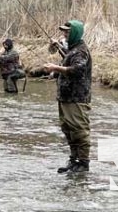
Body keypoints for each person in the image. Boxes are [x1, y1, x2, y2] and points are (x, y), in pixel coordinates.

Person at [43, 20, 92, 174]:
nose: (64, 34)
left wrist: (56, 68)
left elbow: (77, 70)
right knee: (68, 129)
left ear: (75, 33)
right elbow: (66, 55)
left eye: (67, 32)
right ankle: (74, 160)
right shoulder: (71, 49)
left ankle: (83, 163)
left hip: (76, 98)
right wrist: (57, 46)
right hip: (65, 96)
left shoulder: (81, 51)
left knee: (79, 130)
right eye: (64, 31)